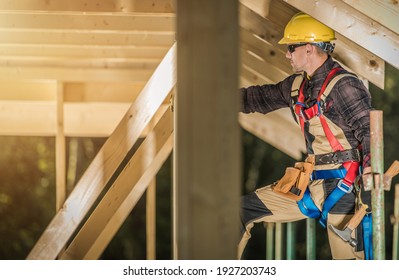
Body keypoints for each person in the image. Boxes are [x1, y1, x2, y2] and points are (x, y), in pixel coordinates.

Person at [238, 12, 373, 260]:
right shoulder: (297, 86)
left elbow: (369, 130)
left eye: (291, 47)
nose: (287, 54)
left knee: (348, 265)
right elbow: (255, 98)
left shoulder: (345, 86)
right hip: (309, 185)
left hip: (343, 187)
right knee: (240, 211)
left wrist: (369, 173)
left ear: (309, 49)